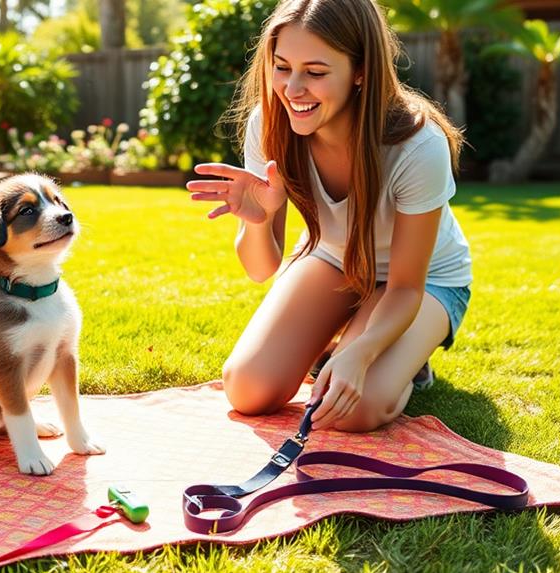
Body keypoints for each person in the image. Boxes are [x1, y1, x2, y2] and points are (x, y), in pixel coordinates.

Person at [187, 0, 472, 432]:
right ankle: (355, 339)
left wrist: (363, 351)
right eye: (282, 67)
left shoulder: (417, 144)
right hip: (335, 260)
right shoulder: (269, 124)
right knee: (248, 389)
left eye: (315, 73)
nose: (292, 89)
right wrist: (259, 222)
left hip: (425, 281)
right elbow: (261, 268)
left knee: (355, 408)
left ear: (361, 71)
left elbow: (405, 286)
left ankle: (408, 362)